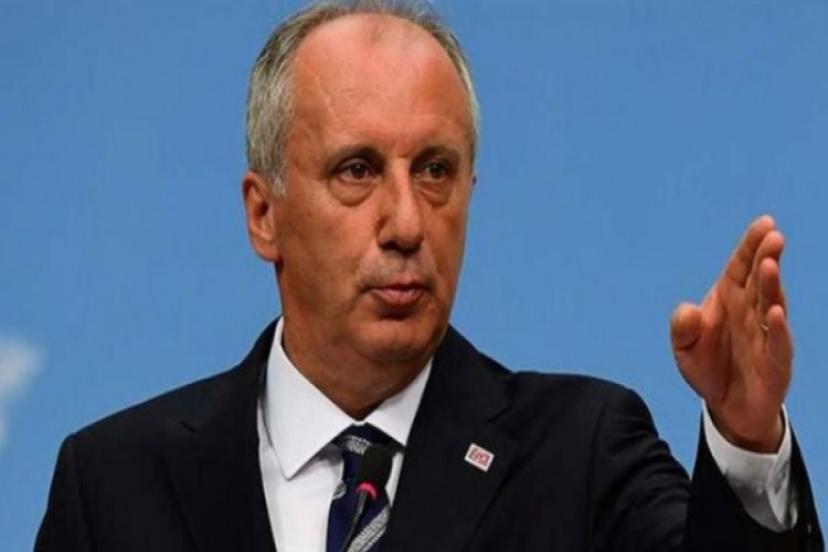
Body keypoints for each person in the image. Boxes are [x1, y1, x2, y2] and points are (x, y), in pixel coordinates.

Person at [36, 1, 823, 551]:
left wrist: (746, 441)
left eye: (436, 170)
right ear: (264, 214)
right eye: (357, 170)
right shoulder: (114, 485)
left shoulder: (581, 454)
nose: (408, 223)